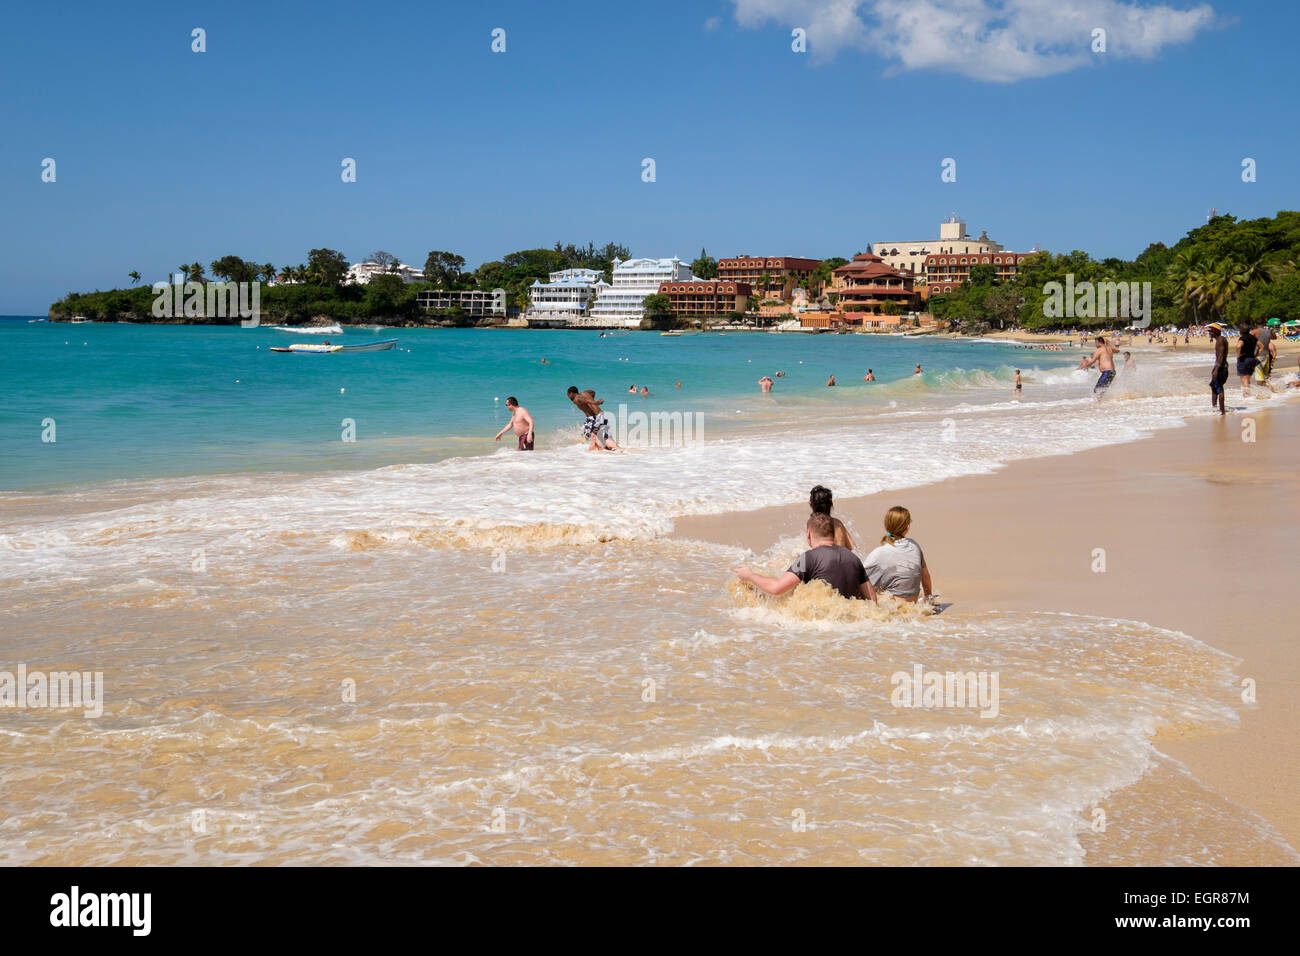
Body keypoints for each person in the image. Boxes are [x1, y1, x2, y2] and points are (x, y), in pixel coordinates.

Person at [735, 513, 876, 602]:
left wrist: (750, 576)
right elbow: (872, 601)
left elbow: (776, 589)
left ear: (808, 533)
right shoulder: (853, 558)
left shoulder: (808, 558)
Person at [862, 506, 933, 603]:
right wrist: (929, 599)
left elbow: (859, 580)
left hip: (894, 609)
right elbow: (926, 577)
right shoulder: (914, 546)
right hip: (913, 604)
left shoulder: (879, 553)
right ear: (908, 527)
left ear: (886, 526)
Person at [566, 385, 619, 451]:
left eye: (568, 394)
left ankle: (601, 448)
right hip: (600, 415)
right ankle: (606, 447)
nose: (568, 397)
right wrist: (592, 400)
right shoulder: (585, 393)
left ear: (571, 393)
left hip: (595, 418)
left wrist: (594, 402)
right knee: (587, 433)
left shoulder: (576, 399)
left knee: (591, 434)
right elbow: (593, 392)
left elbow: (585, 400)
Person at [809, 485, 855, 550]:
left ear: (810, 504)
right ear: (831, 504)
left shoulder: (811, 524)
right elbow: (852, 546)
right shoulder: (837, 523)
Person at [1207, 323, 1229, 414]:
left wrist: (1216, 369)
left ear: (1214, 332)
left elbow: (1220, 355)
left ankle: (1222, 411)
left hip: (1220, 367)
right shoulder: (1221, 339)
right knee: (1214, 387)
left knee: (1219, 388)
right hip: (1222, 366)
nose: (1209, 333)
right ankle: (1215, 408)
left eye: (1210, 332)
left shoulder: (1220, 341)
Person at [1236, 323, 1258, 397]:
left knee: (1244, 379)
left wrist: (1238, 355)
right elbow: (1261, 346)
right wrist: (1256, 355)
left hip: (1244, 359)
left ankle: (1247, 396)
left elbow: (1238, 346)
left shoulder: (1242, 338)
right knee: (1248, 379)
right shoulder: (1253, 338)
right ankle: (1249, 394)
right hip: (1252, 359)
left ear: (1241, 331)